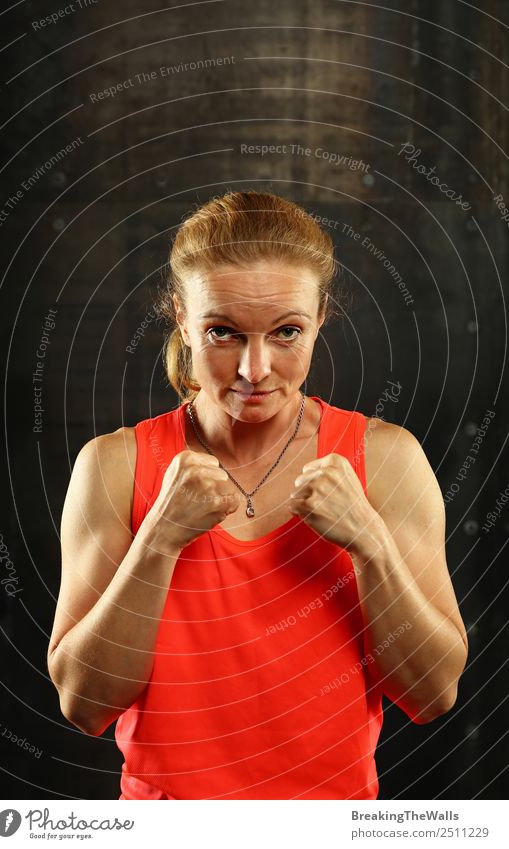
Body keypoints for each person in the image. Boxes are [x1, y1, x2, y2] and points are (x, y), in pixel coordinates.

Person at [47, 190, 468, 800]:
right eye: (223, 332)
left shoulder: (386, 459)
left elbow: (432, 695)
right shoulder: (115, 466)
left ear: (321, 317)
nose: (254, 369)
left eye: (286, 332)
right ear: (181, 319)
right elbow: (84, 704)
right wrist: (158, 540)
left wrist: (372, 545)